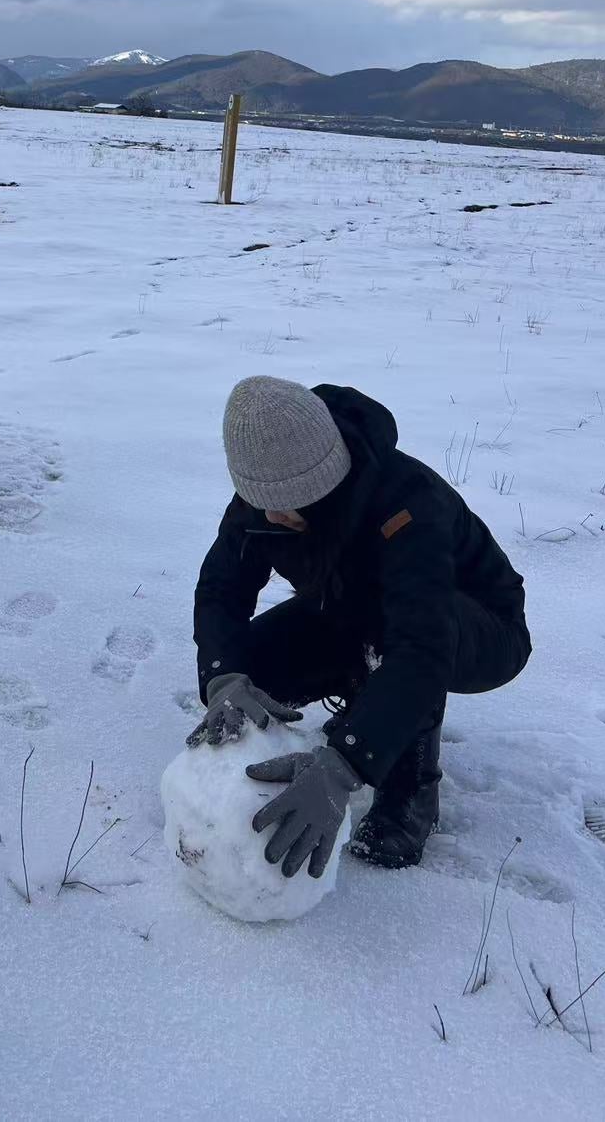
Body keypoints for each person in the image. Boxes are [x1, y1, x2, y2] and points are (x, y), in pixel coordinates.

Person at [188, 377, 531, 879]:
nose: (275, 514)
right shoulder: (260, 502)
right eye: (264, 502)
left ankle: (409, 792)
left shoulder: (407, 503)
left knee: (391, 635)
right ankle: (364, 690)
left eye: (291, 502)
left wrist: (346, 764)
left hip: (476, 629)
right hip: (354, 612)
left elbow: (422, 646)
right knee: (251, 667)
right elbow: (221, 589)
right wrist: (223, 679)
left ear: (326, 483)